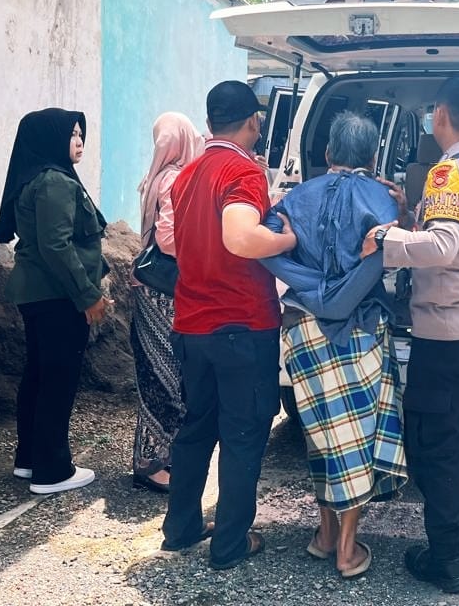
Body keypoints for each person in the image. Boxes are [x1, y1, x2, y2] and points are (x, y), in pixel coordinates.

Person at [362, 76, 459, 595]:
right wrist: (411, 215)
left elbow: (444, 247)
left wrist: (386, 237)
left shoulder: (449, 172)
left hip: (447, 332)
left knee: (438, 446)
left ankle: (445, 559)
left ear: (440, 115)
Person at [260, 112, 409, 579]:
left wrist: (312, 290)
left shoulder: (293, 198)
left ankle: (325, 536)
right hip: (360, 330)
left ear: (327, 153)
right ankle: (346, 549)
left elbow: (267, 253)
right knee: (356, 439)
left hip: (303, 329)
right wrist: (402, 215)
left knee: (322, 435)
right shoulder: (381, 199)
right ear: (372, 157)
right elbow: (390, 257)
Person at [161, 81, 296, 570]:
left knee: (197, 428)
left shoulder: (187, 174)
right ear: (254, 121)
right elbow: (240, 238)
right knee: (243, 434)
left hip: (191, 325)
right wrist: (286, 241)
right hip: (241, 323)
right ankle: (231, 543)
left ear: (210, 121)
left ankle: (180, 529)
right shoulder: (242, 170)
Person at [0, 108, 111, 495]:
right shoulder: (54, 181)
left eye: (80, 134)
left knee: (40, 376)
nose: (79, 141)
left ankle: (30, 459)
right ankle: (52, 471)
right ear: (50, 139)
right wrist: (88, 295)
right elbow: (56, 246)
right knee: (57, 380)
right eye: (71, 134)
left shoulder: (38, 177)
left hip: (40, 294)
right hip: (57, 295)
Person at [130, 112, 205, 493]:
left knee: (154, 375)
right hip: (165, 291)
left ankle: (152, 458)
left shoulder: (155, 176)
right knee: (167, 378)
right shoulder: (175, 179)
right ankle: (153, 464)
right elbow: (170, 241)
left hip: (149, 287)